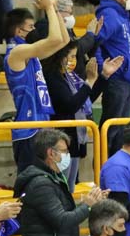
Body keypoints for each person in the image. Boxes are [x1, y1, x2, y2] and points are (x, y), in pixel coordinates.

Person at [6, 0, 68, 170]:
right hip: (28, 130)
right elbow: (54, 38)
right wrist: (47, 8)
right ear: (19, 31)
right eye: (31, 27)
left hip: (41, 126)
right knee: (30, 184)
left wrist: (55, 8)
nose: (34, 30)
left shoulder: (30, 53)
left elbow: (63, 41)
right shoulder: (17, 52)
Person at [43, 43, 118, 189]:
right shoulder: (52, 77)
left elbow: (85, 98)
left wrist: (103, 76)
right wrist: (89, 81)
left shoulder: (70, 77)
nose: (73, 60)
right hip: (60, 139)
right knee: (61, 188)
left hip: (75, 141)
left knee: (70, 188)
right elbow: (70, 105)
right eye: (70, 56)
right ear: (60, 55)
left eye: (75, 56)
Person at [95, 0, 130, 151]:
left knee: (120, 131)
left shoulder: (123, 15)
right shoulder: (110, 15)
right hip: (116, 80)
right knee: (111, 129)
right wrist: (103, 68)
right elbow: (95, 42)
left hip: (126, 80)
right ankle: (103, 170)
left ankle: (115, 169)